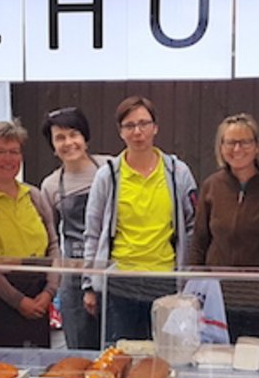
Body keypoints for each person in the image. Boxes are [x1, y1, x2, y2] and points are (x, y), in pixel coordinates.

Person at [82, 95, 197, 346]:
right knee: (121, 355)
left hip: (165, 280)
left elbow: (192, 226)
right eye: (129, 126)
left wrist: (187, 278)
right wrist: (90, 284)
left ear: (155, 127)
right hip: (120, 281)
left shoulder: (178, 172)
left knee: (166, 356)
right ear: (121, 132)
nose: (138, 132)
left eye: (144, 123)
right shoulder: (108, 175)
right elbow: (92, 232)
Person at [187, 112, 259, 349]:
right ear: (221, 148)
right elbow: (198, 244)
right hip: (217, 304)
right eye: (230, 142)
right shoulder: (211, 186)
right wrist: (191, 297)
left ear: (257, 147)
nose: (237, 149)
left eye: (245, 142)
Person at [0, 120, 59, 348]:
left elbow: (53, 247)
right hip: (0, 300)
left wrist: (49, 292)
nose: (8, 159)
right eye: (0, 152)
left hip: (39, 296)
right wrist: (18, 301)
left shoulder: (35, 196)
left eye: (14, 152)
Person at [38, 107, 111, 351]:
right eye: (60, 138)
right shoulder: (50, 185)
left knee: (115, 347)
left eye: (74, 134)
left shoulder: (110, 169)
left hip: (109, 271)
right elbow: (51, 238)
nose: (68, 143)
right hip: (72, 278)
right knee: (80, 352)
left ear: (85, 137)